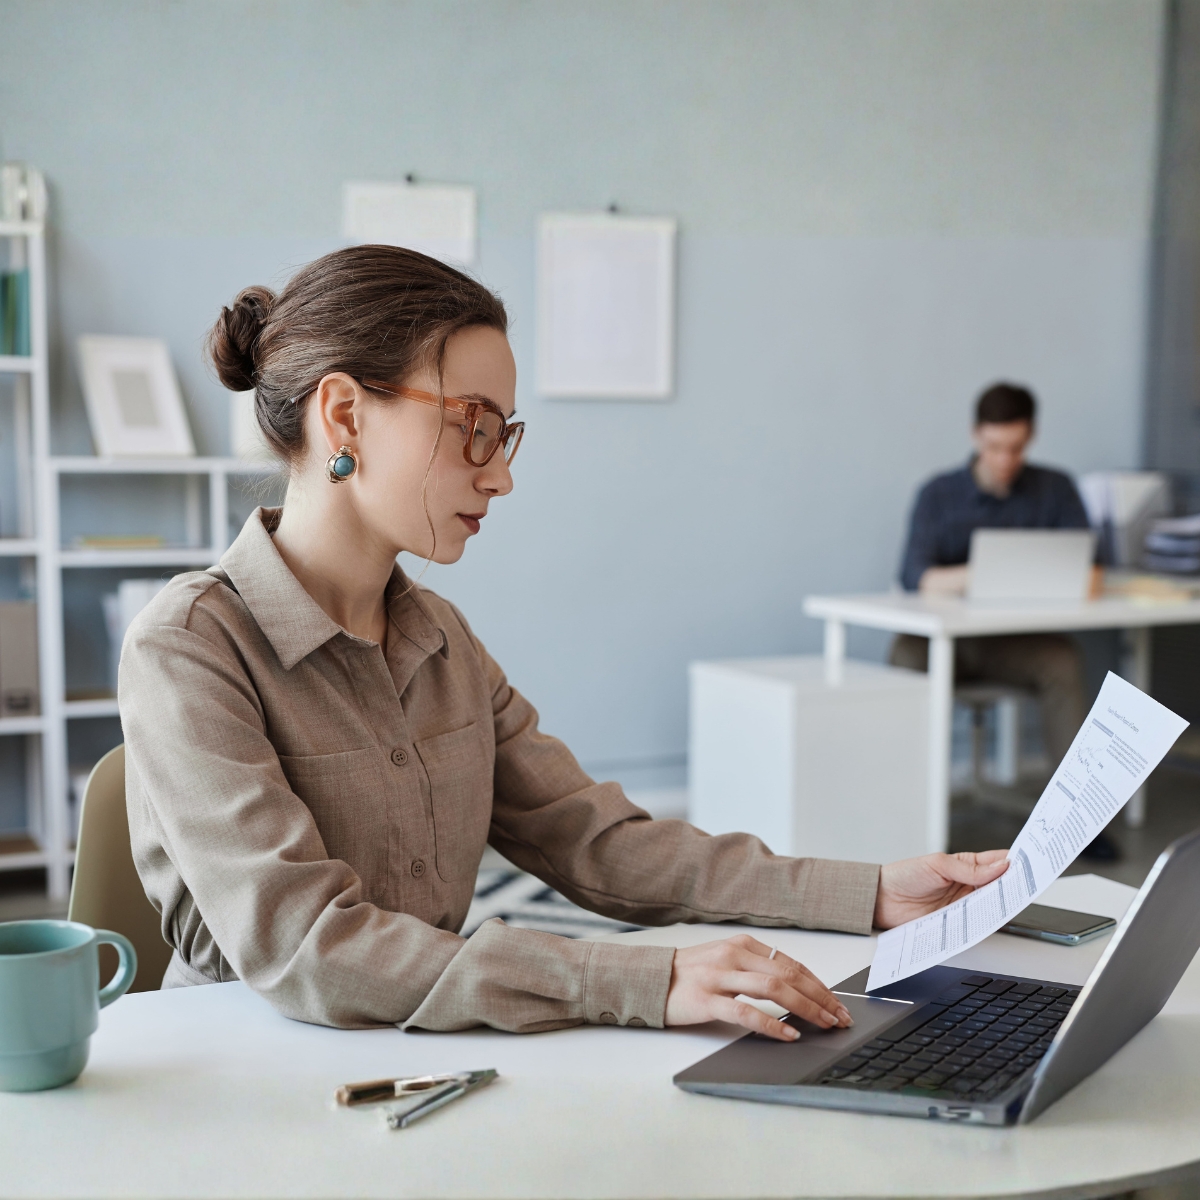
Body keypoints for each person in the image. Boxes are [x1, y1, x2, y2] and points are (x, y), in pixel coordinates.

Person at [121, 246, 1008, 1039]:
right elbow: (312, 946)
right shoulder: (189, 649)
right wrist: (641, 980)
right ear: (345, 415)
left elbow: (597, 842)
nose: (501, 476)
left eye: (504, 435)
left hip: (424, 1066)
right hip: (243, 1082)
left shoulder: (440, 637)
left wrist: (871, 892)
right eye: (474, 427)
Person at [891, 382, 1114, 858]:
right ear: (976, 435)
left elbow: (1089, 567)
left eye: (1015, 447)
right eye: (994, 447)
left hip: (1010, 644)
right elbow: (914, 576)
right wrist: (980, 573)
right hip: (943, 642)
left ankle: (1077, 822)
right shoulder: (938, 494)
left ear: (1030, 436)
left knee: (1061, 659)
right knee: (904, 655)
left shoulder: (1055, 489)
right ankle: (902, 811)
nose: (1004, 459)